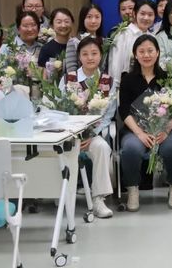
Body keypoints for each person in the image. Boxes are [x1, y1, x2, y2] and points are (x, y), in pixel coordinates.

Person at [118, 35, 172, 211]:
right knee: (131, 150)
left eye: (150, 51)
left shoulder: (167, 78)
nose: (146, 55)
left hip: (164, 130)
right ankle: (132, 189)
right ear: (135, 54)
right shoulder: (127, 79)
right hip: (135, 131)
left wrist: (167, 130)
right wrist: (139, 133)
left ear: (158, 53)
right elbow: (124, 110)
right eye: (141, 51)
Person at [60, 37, 117, 218]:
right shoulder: (68, 79)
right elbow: (60, 109)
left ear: (101, 56)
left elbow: (107, 115)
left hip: (92, 135)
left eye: (94, 53)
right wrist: (74, 134)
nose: (90, 58)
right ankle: (61, 195)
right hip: (69, 134)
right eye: (85, 54)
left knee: (102, 147)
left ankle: (98, 199)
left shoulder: (108, 82)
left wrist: (91, 135)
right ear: (79, 57)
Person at [108, 0, 155, 83]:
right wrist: (116, 86)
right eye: (142, 14)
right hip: (125, 85)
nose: (146, 18)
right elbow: (115, 65)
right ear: (134, 13)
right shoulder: (123, 35)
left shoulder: (153, 37)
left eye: (150, 14)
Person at [64, 4, 104, 75]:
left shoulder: (105, 42)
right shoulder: (73, 42)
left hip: (102, 81)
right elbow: (71, 70)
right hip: (78, 81)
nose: (93, 21)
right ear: (83, 19)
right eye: (89, 17)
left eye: (97, 17)